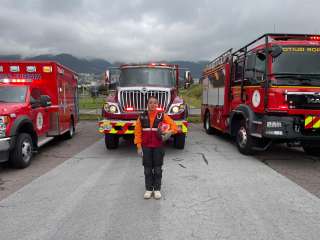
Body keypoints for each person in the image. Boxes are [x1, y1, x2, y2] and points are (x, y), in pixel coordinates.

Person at [134, 96, 178, 199]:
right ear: (147, 104)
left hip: (158, 147)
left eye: (155, 103)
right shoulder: (141, 117)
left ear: (157, 105)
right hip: (146, 147)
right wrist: (139, 147)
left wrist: (170, 132)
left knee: (158, 169)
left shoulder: (162, 116)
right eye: (150, 103)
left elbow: (174, 126)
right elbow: (137, 132)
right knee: (147, 170)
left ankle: (157, 189)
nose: (153, 105)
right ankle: (149, 189)